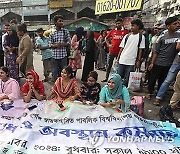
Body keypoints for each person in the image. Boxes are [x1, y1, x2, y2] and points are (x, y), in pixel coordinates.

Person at [147, 16, 180, 101]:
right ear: (168, 26)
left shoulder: (179, 35)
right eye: (174, 24)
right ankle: (149, 92)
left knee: (163, 80)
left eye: (178, 23)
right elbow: (156, 51)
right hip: (159, 62)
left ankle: (159, 94)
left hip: (170, 63)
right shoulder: (162, 37)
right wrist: (152, 63)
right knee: (153, 79)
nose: (177, 25)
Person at [116, 19, 145, 86]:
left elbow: (140, 50)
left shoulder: (141, 37)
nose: (131, 27)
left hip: (131, 61)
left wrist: (138, 61)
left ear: (138, 26)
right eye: (131, 26)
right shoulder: (127, 36)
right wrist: (118, 59)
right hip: (122, 60)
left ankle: (123, 90)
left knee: (127, 78)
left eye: (133, 26)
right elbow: (121, 48)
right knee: (118, 77)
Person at [102, 17, 128, 82]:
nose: (117, 25)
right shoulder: (112, 31)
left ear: (122, 23)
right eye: (116, 23)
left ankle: (117, 79)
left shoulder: (125, 31)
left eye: (119, 23)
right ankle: (106, 78)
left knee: (119, 66)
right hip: (112, 51)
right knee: (109, 65)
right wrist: (108, 44)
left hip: (121, 52)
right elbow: (106, 38)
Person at [155, 38, 180, 105]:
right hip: (177, 62)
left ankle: (175, 103)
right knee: (168, 80)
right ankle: (158, 97)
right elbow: (178, 47)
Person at [49, 15, 71, 82]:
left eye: (62, 21)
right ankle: (56, 86)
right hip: (54, 56)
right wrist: (55, 45)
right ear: (55, 23)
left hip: (63, 56)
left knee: (64, 72)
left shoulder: (65, 32)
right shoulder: (52, 33)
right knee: (54, 72)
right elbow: (50, 45)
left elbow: (69, 42)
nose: (61, 22)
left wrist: (62, 44)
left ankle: (64, 84)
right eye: (59, 21)